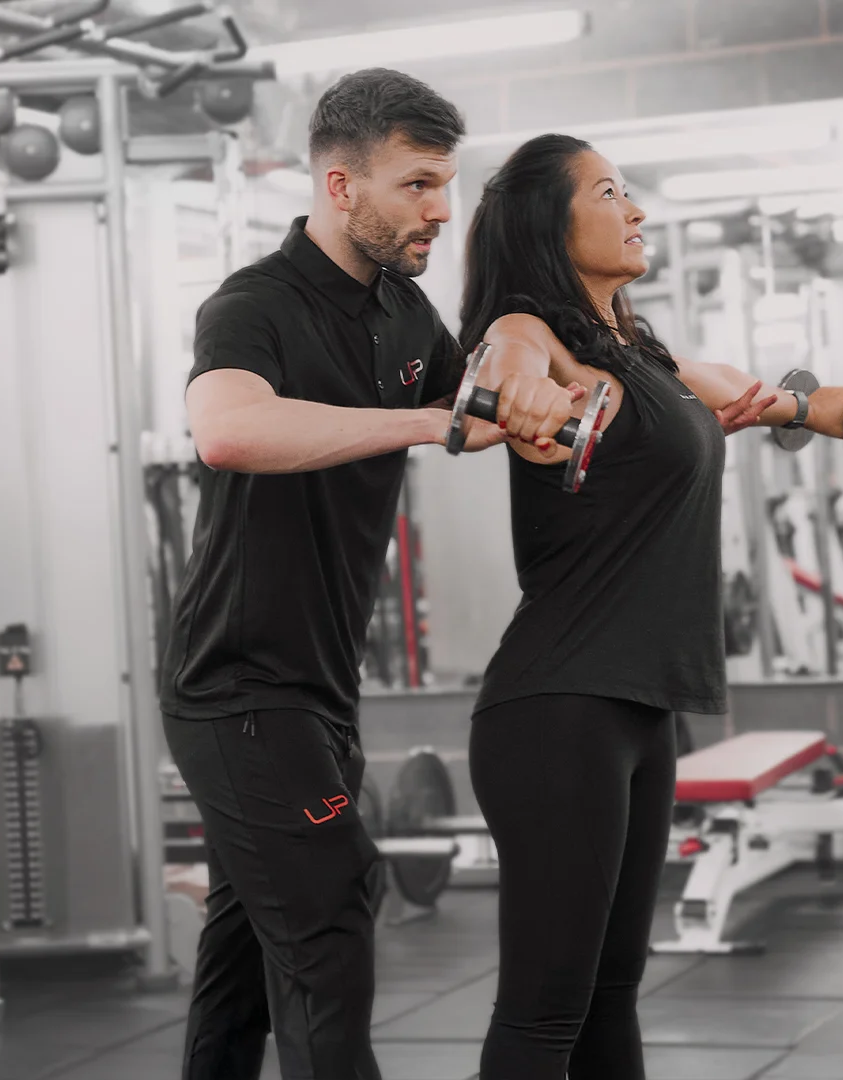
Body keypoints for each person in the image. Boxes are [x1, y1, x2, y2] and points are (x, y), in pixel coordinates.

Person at [156, 68, 588, 1080]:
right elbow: (226, 430)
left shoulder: (402, 311)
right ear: (341, 187)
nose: (441, 209)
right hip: (238, 685)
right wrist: (434, 422)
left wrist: (543, 399)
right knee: (334, 917)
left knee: (243, 953)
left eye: (447, 185)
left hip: (320, 685)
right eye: (418, 185)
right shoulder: (250, 307)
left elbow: (471, 412)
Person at [457, 133, 843, 1080]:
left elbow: (751, 393)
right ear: (549, 226)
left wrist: (825, 408)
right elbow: (502, 361)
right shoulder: (535, 333)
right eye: (610, 193)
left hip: (637, 712)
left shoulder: (641, 353)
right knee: (543, 1013)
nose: (636, 210)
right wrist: (515, 393)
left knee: (610, 997)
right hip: (559, 709)